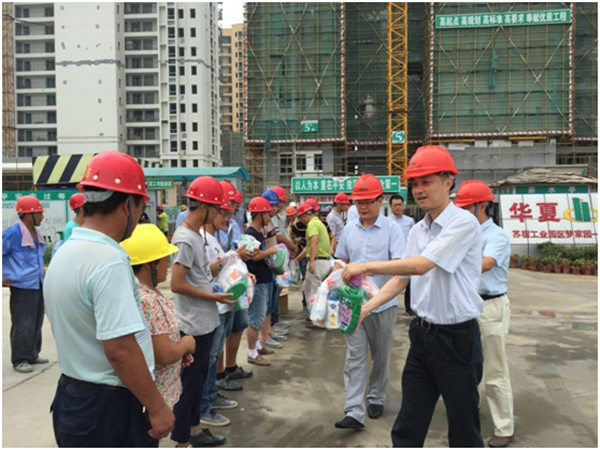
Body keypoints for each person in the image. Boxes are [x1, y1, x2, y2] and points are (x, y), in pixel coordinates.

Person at [341, 145, 484, 447]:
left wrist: (365, 266)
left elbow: (420, 265)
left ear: (448, 182)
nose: (418, 190)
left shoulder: (462, 222)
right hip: (422, 336)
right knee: (409, 421)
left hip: (456, 340)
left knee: (463, 425)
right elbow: (400, 279)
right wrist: (365, 309)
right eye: (414, 183)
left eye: (426, 181)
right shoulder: (418, 230)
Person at [44, 151, 174, 447]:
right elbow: (120, 350)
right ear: (128, 205)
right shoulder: (109, 260)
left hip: (72, 398)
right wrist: (157, 408)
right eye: (141, 208)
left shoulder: (67, 251)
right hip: (107, 408)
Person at [332, 174, 405, 430]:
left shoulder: (393, 230)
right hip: (351, 305)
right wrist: (334, 279)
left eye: (368, 201)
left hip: (382, 305)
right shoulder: (349, 229)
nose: (363, 206)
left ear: (380, 200)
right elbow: (341, 260)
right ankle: (354, 411)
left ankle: (376, 396)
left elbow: (400, 267)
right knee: (354, 356)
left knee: (381, 356)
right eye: (358, 202)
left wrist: (370, 268)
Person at [169, 176, 234, 448]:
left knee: (197, 384)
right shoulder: (185, 238)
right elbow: (177, 284)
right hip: (192, 325)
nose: (220, 214)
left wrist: (232, 274)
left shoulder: (198, 235)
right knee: (188, 387)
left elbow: (202, 274)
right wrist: (212, 296)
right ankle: (182, 441)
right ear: (205, 206)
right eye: (217, 208)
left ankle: (194, 431)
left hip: (205, 321)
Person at [120, 224, 196, 447]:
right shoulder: (147, 300)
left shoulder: (149, 292)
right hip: (149, 403)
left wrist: (178, 353)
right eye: (164, 259)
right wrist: (185, 345)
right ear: (148, 265)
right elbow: (162, 355)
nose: (168, 265)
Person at [455, 180, 514, 448]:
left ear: (482, 206)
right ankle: (472, 407)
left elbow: (487, 263)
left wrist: (448, 264)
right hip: (466, 306)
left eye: (466, 208)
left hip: (491, 306)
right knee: (468, 366)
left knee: (495, 369)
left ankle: (504, 426)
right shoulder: (462, 233)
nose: (462, 213)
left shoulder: (496, 236)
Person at [199, 190, 246, 428]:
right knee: (207, 358)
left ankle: (211, 394)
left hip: (223, 305)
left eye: (229, 214)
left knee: (215, 354)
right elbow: (202, 272)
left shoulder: (214, 238)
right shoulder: (201, 238)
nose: (227, 219)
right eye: (224, 213)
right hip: (213, 306)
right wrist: (228, 259)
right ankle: (202, 406)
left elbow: (221, 269)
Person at [215, 180, 256, 391]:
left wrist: (244, 267)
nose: (232, 209)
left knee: (238, 324)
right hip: (219, 287)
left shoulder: (234, 224)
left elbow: (237, 251)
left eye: (235, 205)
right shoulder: (210, 227)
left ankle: (231, 367)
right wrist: (234, 254)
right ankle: (219, 373)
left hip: (236, 281)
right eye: (230, 203)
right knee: (220, 331)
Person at [3, 196, 48, 374]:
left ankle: (32, 354)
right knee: (23, 323)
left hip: (37, 283)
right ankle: (20, 359)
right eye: (40, 213)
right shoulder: (14, 233)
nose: (42, 217)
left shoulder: (35, 233)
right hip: (22, 286)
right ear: (29, 215)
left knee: (36, 321)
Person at [243, 196, 279, 366]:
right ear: (259, 215)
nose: (270, 219)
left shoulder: (258, 233)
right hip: (257, 281)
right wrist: (271, 250)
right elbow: (254, 256)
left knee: (260, 315)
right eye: (268, 215)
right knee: (255, 319)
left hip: (264, 278)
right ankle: (252, 353)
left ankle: (257, 346)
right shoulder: (251, 234)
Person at [260, 189, 297, 348]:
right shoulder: (264, 222)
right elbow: (276, 239)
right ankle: (268, 331)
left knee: (272, 298)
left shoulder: (275, 218)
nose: (277, 207)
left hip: (274, 263)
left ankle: (271, 327)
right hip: (267, 266)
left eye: (279, 203)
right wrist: (293, 247)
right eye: (273, 205)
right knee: (266, 303)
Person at [296, 202, 331, 329]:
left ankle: (317, 320)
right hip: (322, 261)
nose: (302, 221)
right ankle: (314, 315)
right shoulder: (318, 223)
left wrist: (311, 261)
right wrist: (297, 259)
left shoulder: (312, 224)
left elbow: (314, 242)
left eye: (301, 218)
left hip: (318, 261)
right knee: (309, 288)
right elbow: (309, 246)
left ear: (305, 215)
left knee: (313, 291)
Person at [388, 194, 416, 315]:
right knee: (392, 281)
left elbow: (414, 238)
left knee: (409, 282)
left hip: (407, 256)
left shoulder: (409, 221)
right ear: (390, 207)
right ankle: (389, 304)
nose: (398, 207)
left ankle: (409, 308)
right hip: (392, 257)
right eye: (395, 205)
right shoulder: (387, 222)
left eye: (399, 205)